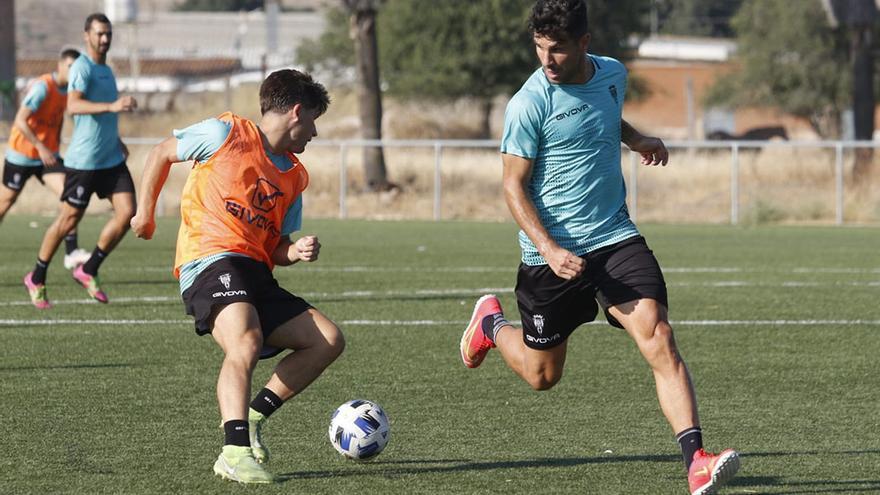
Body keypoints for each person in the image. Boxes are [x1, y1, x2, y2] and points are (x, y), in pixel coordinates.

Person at [459, 2, 740, 494]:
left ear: (585, 43)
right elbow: (512, 187)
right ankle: (490, 324)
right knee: (541, 376)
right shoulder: (529, 103)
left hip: (614, 237)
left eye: (558, 48)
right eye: (540, 47)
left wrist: (636, 138)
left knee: (658, 334)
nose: (547, 59)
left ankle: (695, 459)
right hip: (552, 257)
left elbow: (604, 117)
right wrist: (547, 249)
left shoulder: (612, 73)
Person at [130, 69, 344, 484]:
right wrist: (145, 213)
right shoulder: (224, 133)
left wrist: (294, 252)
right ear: (297, 112)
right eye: (315, 120)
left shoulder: (295, 177)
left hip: (254, 272)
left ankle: (252, 415)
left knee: (327, 340)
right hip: (209, 258)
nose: (314, 133)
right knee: (245, 339)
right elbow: (160, 153)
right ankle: (233, 450)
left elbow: (277, 247)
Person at [23, 13, 138, 309]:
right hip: (84, 161)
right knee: (68, 220)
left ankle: (88, 269)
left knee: (128, 214)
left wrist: (117, 138)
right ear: (87, 35)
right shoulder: (82, 68)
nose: (105, 39)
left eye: (108, 34)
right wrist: (113, 105)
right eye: (100, 34)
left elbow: (105, 117)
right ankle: (36, 276)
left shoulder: (107, 71)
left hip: (110, 158)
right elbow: (73, 105)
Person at [2, 48, 91, 271]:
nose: (73, 72)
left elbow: (59, 121)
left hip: (47, 158)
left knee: (69, 195)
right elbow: (20, 121)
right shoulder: (43, 87)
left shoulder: (68, 92)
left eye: (77, 68)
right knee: (4, 204)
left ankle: (71, 252)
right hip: (21, 155)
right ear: (60, 66)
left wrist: (55, 147)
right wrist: (40, 146)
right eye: (70, 67)